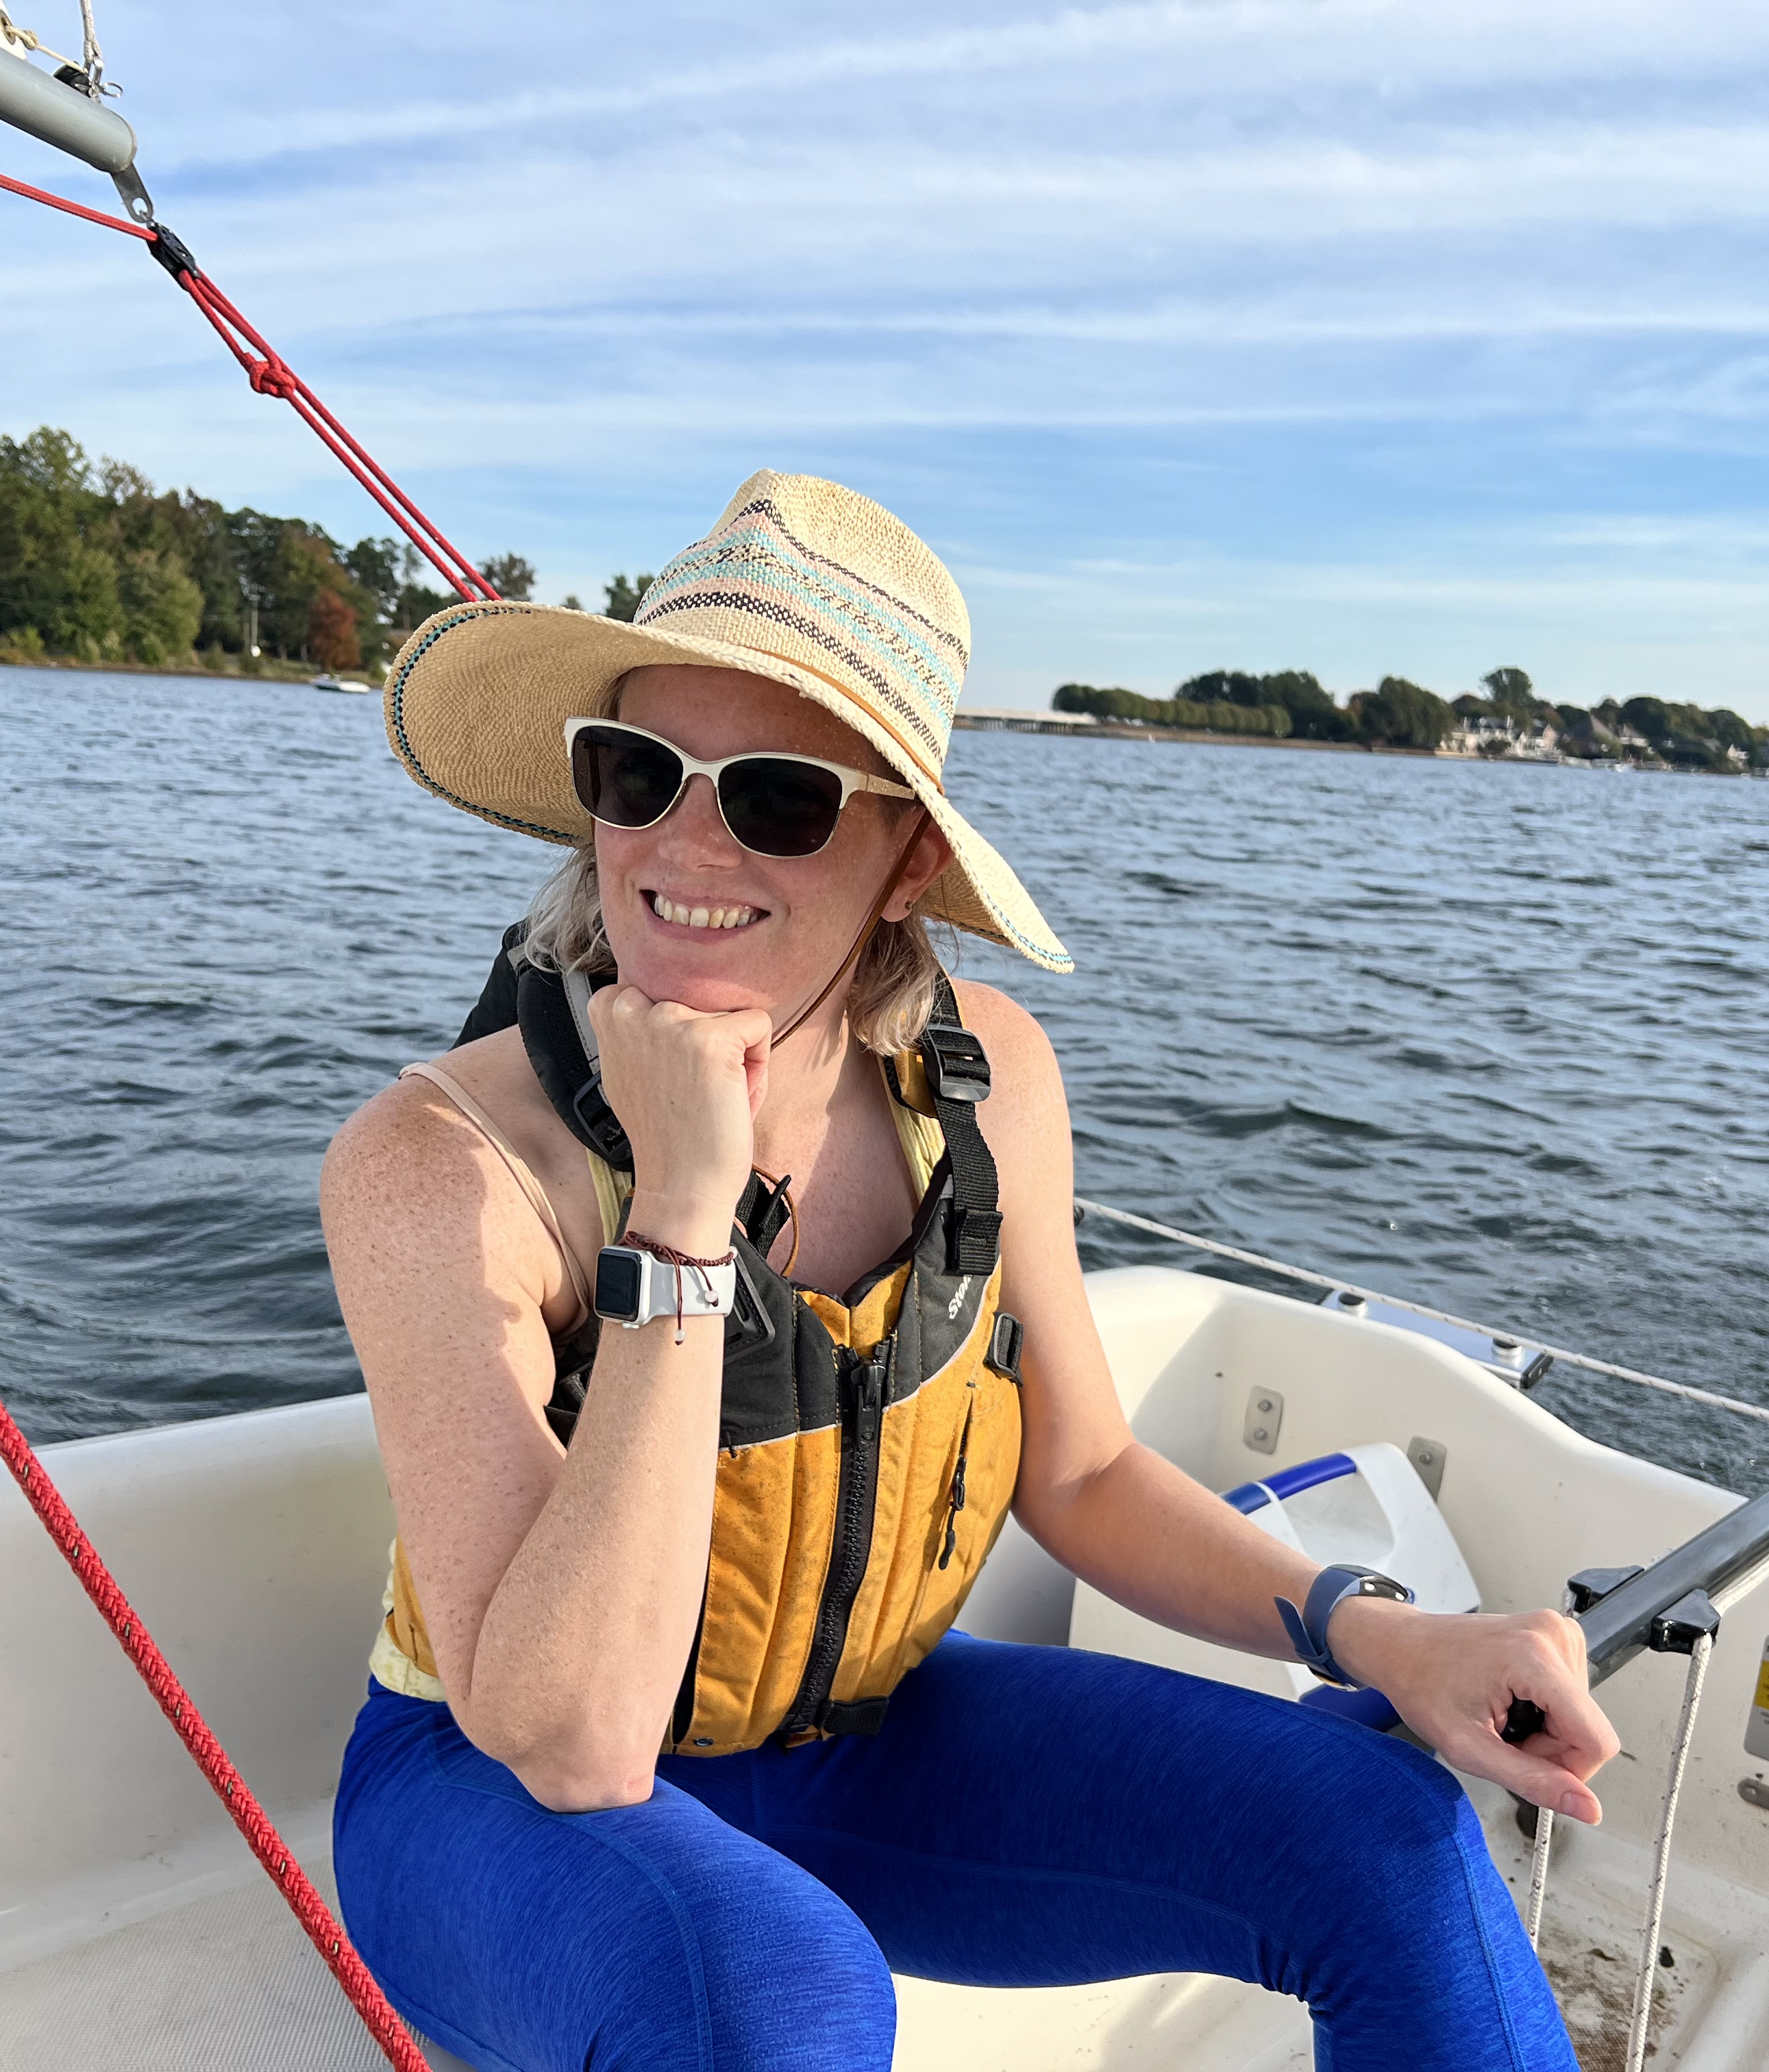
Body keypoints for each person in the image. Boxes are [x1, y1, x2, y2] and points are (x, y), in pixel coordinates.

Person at [320, 471, 1617, 2072]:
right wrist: (679, 1212)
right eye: (636, 771)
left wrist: (1377, 1632)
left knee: (1384, 1829)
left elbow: (1078, 1472)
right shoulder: (438, 1168)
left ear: (910, 856)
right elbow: (575, 1740)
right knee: (773, 1998)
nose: (683, 843)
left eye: (780, 797)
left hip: (861, 1743)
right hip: (486, 1797)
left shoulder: (983, 1081)